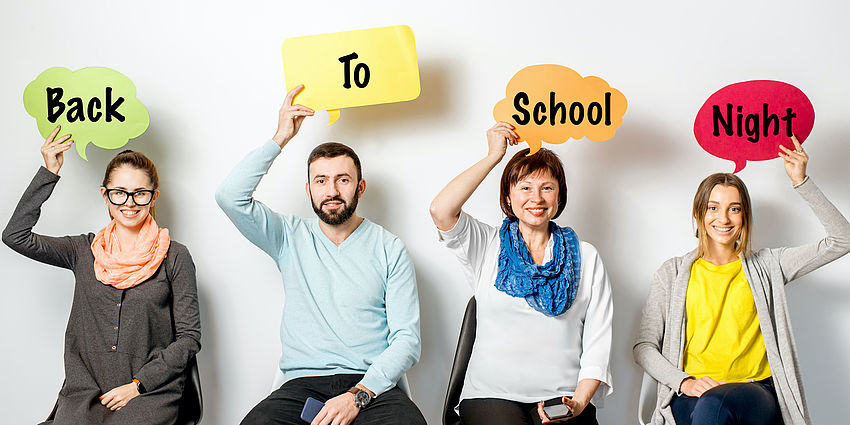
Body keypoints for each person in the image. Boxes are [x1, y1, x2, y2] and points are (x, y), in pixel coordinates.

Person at [215, 85, 425, 425]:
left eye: (343, 180)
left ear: (360, 187)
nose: (332, 191)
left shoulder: (390, 248)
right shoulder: (287, 236)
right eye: (321, 180)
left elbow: (407, 339)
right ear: (309, 189)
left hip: (372, 387)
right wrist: (280, 137)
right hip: (302, 385)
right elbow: (229, 196)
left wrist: (360, 393)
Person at [633, 135, 850, 425]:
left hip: (754, 391)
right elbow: (644, 346)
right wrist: (684, 382)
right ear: (698, 213)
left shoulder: (768, 265)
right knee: (708, 407)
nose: (723, 218)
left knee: (714, 408)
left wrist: (802, 181)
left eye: (734, 208)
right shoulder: (671, 273)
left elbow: (841, 239)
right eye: (713, 207)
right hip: (692, 393)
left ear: (744, 216)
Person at [3, 126, 201, 424]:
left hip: (148, 393)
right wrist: (49, 172)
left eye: (140, 193)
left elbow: (188, 338)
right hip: (85, 394)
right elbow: (15, 235)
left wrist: (139, 385)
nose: (130, 202)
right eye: (119, 193)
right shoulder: (83, 250)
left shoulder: (175, 256)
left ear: (153, 196)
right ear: (105, 196)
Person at [430, 122, 614, 425]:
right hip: (491, 395)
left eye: (547, 188)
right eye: (525, 187)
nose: (536, 198)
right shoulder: (486, 244)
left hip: (563, 395)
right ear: (509, 196)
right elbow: (441, 210)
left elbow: (599, 342)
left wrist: (579, 403)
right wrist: (493, 157)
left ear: (559, 196)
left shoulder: (587, 256)